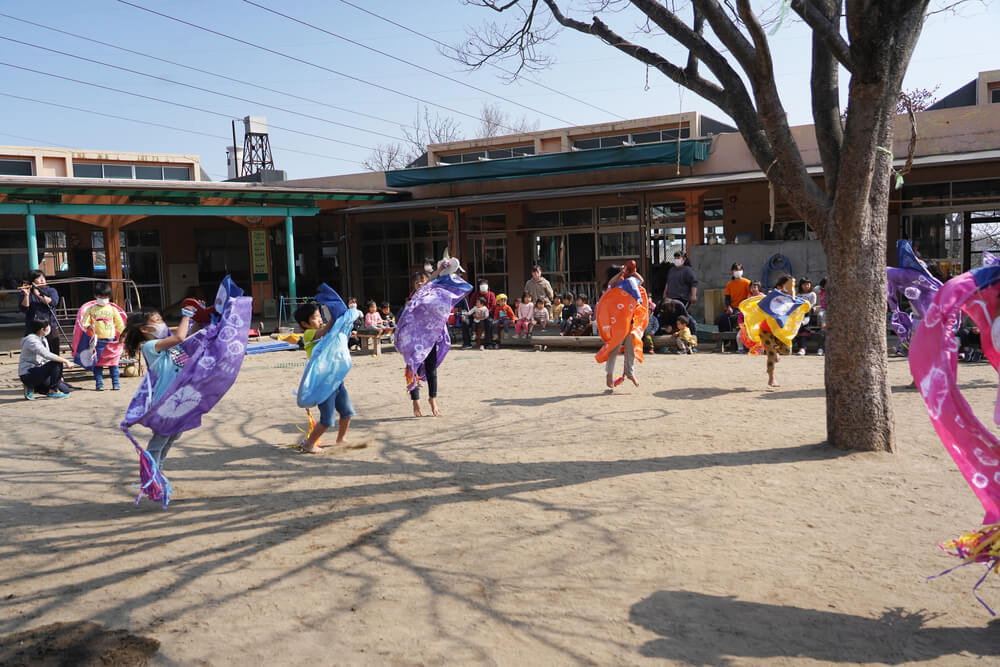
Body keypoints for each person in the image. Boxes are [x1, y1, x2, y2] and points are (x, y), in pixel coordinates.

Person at [120, 305, 197, 469]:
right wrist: (186, 316)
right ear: (144, 329)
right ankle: (151, 474)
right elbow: (180, 338)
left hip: (180, 398)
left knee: (172, 437)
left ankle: (158, 469)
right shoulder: (150, 346)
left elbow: (190, 338)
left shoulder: (170, 345)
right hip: (165, 400)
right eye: (157, 320)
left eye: (161, 319)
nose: (162, 323)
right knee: (160, 440)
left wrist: (198, 318)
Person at [294, 302, 354, 453]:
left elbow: (335, 334)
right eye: (315, 318)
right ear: (304, 324)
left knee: (347, 412)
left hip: (335, 379)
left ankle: (341, 439)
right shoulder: (308, 335)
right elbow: (325, 331)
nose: (320, 320)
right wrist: (334, 317)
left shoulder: (325, 331)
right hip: (322, 384)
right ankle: (309, 444)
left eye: (320, 316)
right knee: (327, 419)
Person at [599, 264, 645, 389]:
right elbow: (611, 282)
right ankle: (609, 374)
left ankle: (630, 373)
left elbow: (641, 280)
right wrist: (620, 273)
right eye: (620, 274)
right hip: (617, 324)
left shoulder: (630, 283)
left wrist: (633, 272)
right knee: (614, 349)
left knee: (631, 348)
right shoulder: (614, 287)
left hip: (630, 321)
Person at [80, 283, 126, 390]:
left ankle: (116, 383)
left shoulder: (113, 309)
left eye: (105, 297)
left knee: (114, 364)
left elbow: (120, 323)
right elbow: (84, 322)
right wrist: (89, 327)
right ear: (95, 296)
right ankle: (99, 384)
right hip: (97, 341)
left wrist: (123, 334)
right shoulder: (91, 309)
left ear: (109, 297)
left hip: (111, 341)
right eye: (100, 297)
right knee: (98, 364)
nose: (103, 299)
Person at [19, 316, 74, 399]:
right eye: (48, 326)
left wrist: (58, 375)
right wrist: (66, 361)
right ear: (42, 329)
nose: (49, 328)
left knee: (65, 389)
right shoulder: (31, 341)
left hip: (40, 371)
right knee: (57, 362)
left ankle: (34, 388)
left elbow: (47, 359)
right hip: (29, 373)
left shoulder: (43, 339)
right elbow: (46, 354)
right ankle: (52, 391)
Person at [760, 275, 796, 388]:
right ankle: (771, 378)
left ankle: (775, 350)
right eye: (789, 285)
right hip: (766, 330)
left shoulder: (791, 299)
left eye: (792, 285)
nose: (791, 287)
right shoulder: (773, 295)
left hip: (779, 332)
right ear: (781, 286)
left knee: (787, 350)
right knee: (771, 354)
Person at [18, 270, 61, 355]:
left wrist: (38, 294)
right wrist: (26, 295)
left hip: (50, 327)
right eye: (38, 278)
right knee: (34, 353)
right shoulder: (26, 292)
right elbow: (24, 309)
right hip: (33, 328)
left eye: (43, 278)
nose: (42, 280)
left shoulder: (51, 290)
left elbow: (53, 302)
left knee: (53, 353)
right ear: (32, 280)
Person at [717, 262, 751, 334]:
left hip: (742, 308)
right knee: (722, 319)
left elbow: (749, 297)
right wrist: (728, 307)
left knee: (735, 318)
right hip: (732, 308)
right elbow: (727, 298)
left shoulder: (747, 283)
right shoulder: (729, 284)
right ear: (732, 271)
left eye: (740, 270)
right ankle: (724, 338)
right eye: (736, 270)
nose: (738, 272)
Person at [462, 279, 495, 348]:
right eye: (481, 285)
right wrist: (474, 315)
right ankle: (467, 343)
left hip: (486, 316)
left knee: (490, 322)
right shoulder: (474, 295)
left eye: (484, 285)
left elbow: (493, 307)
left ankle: (489, 343)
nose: (483, 287)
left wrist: (484, 314)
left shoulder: (491, 294)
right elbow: (471, 306)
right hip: (475, 316)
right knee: (465, 322)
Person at [794, 277, 818, 355]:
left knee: (802, 327)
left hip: (807, 314)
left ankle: (802, 348)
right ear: (801, 286)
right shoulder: (798, 295)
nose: (806, 286)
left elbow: (813, 304)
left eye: (808, 284)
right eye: (804, 284)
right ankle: (801, 348)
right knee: (798, 327)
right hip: (799, 314)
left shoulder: (812, 294)